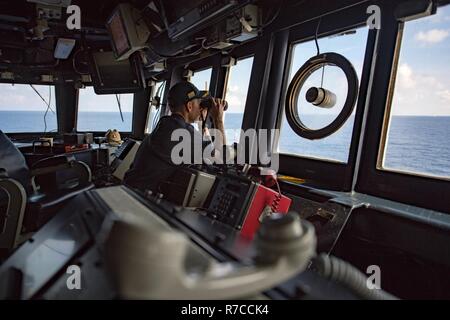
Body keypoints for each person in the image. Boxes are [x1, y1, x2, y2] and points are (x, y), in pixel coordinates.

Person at [123, 81, 227, 192]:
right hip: (139, 199)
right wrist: (218, 119)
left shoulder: (166, 124)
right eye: (199, 103)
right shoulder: (183, 132)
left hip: (128, 190)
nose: (200, 108)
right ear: (189, 106)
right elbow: (221, 156)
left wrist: (202, 123)